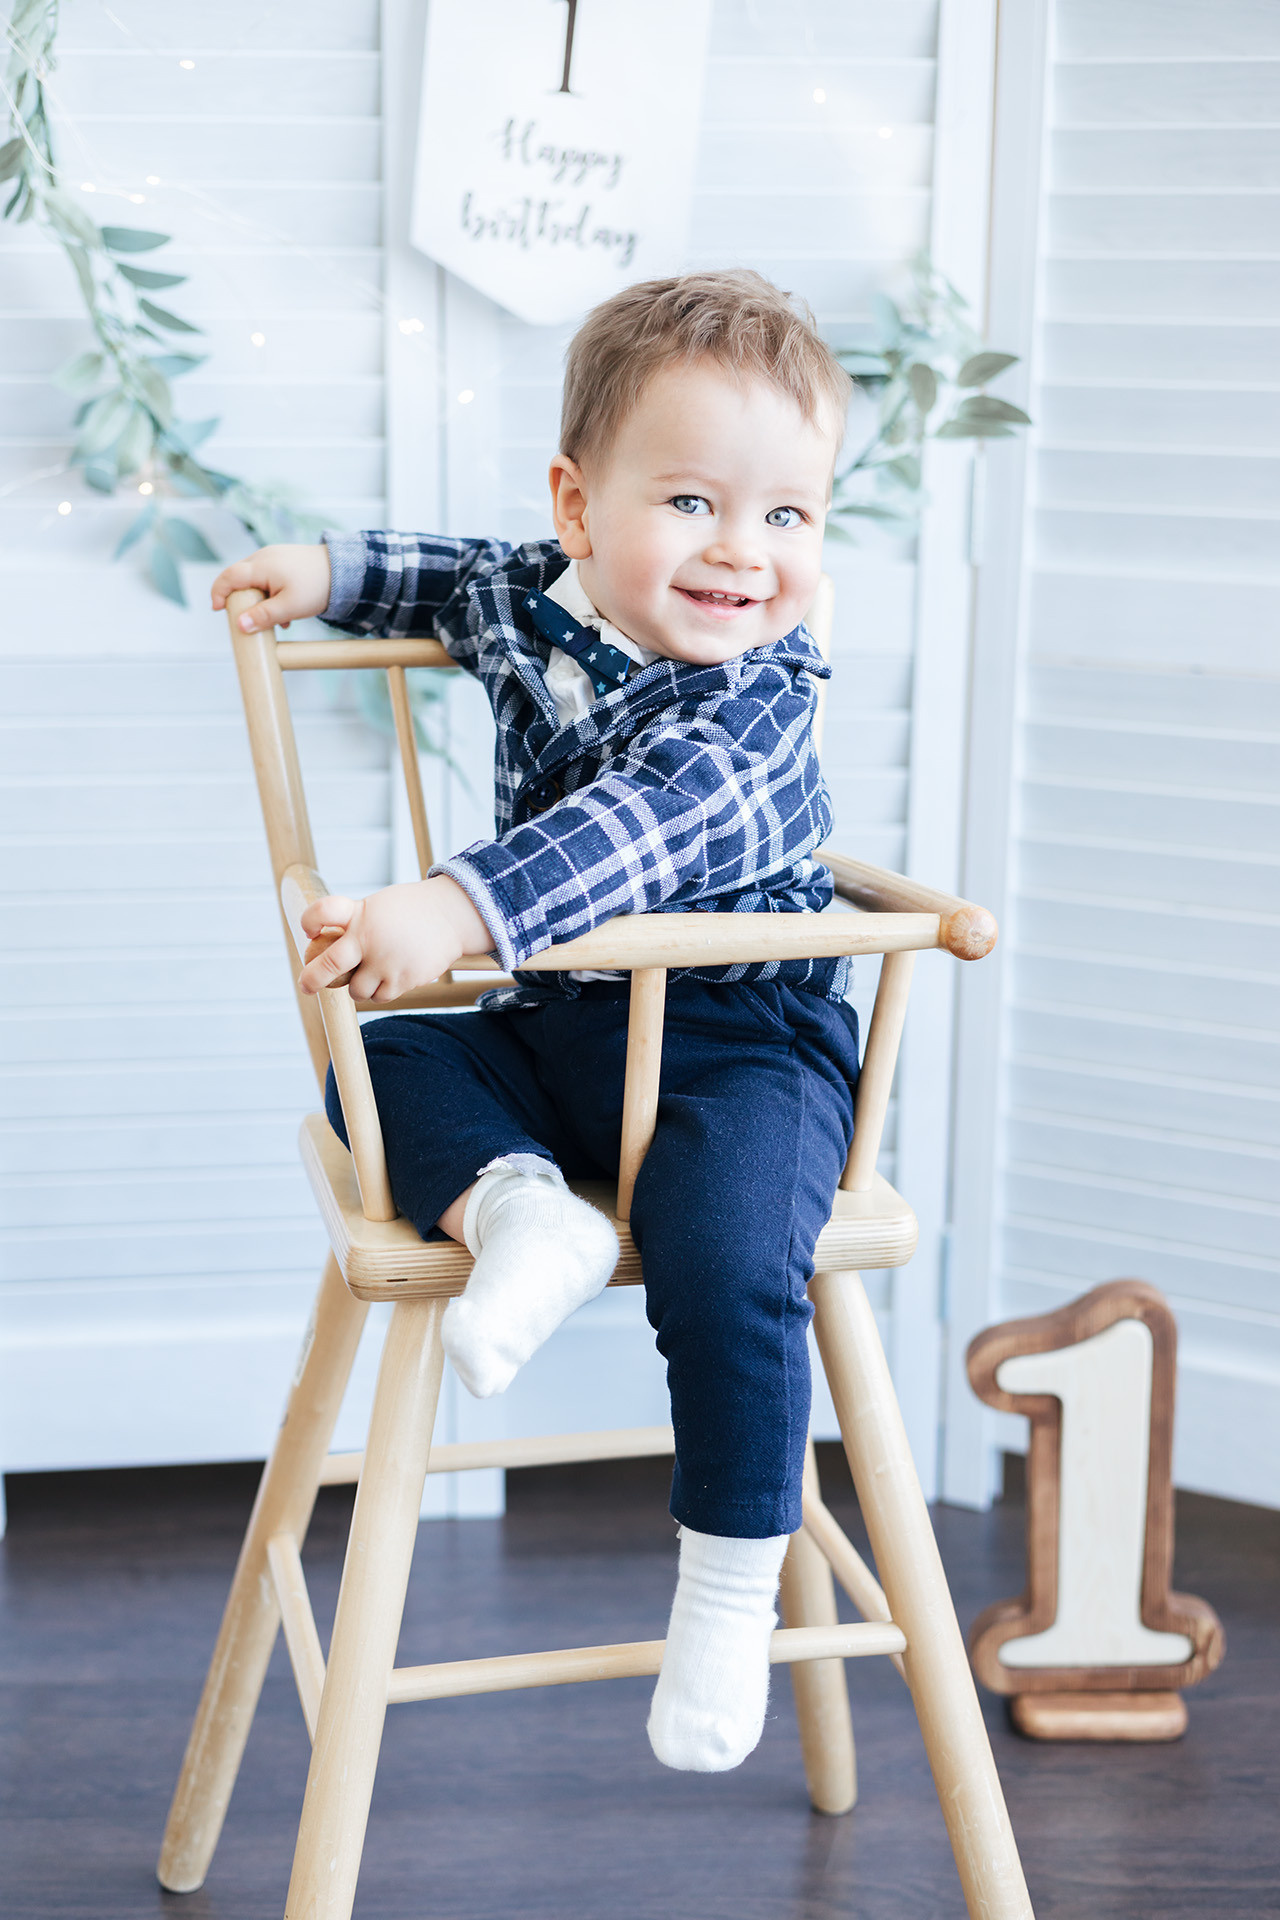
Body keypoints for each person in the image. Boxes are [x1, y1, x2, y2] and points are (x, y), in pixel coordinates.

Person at [210, 269, 858, 1775]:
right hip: (563, 1026)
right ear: (579, 508)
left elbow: (628, 832)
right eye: (692, 501)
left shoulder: (759, 708)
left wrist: (444, 907)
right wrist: (332, 566)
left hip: (740, 1051)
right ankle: (522, 1211)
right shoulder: (535, 594)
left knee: (726, 1249)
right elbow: (457, 577)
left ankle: (725, 1588)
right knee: (376, 1053)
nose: (741, 555)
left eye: (789, 517)